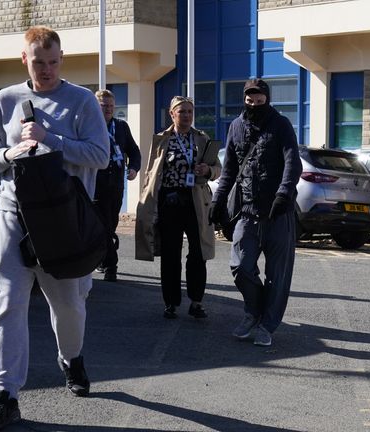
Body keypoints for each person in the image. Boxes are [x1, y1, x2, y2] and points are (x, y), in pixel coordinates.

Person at [0, 25, 110, 430]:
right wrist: (7, 154)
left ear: (61, 60)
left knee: (68, 306)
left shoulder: (82, 101)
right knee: (9, 302)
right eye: (39, 63)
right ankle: (6, 394)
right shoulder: (6, 100)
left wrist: (53, 138)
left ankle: (71, 358)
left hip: (65, 220)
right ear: (25, 60)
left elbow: (100, 155)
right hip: (14, 215)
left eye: (53, 62)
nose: (46, 70)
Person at [210, 78, 302, 347]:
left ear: (267, 98)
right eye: (250, 99)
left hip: (278, 214)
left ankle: (267, 324)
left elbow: (292, 162)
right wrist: (218, 200)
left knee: (277, 274)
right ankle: (254, 310)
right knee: (240, 266)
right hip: (247, 212)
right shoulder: (236, 127)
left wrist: (284, 194)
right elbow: (229, 171)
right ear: (244, 99)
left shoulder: (281, 124)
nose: (254, 103)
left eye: (259, 99)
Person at [135, 96, 221, 319]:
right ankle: (171, 302)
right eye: (182, 112)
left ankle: (196, 301)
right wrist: (147, 200)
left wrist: (207, 171)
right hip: (169, 201)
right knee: (170, 253)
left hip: (195, 201)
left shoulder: (201, 138)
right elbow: (151, 173)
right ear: (172, 114)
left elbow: (217, 168)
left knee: (198, 252)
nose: (187, 116)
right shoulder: (162, 139)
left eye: (190, 112)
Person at [93, 89, 141, 282]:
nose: (108, 109)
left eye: (111, 106)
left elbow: (134, 151)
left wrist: (134, 168)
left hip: (116, 185)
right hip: (96, 185)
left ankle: (103, 258)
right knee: (103, 225)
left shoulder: (121, 126)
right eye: (104, 106)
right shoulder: (90, 126)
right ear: (96, 107)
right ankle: (112, 265)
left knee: (110, 226)